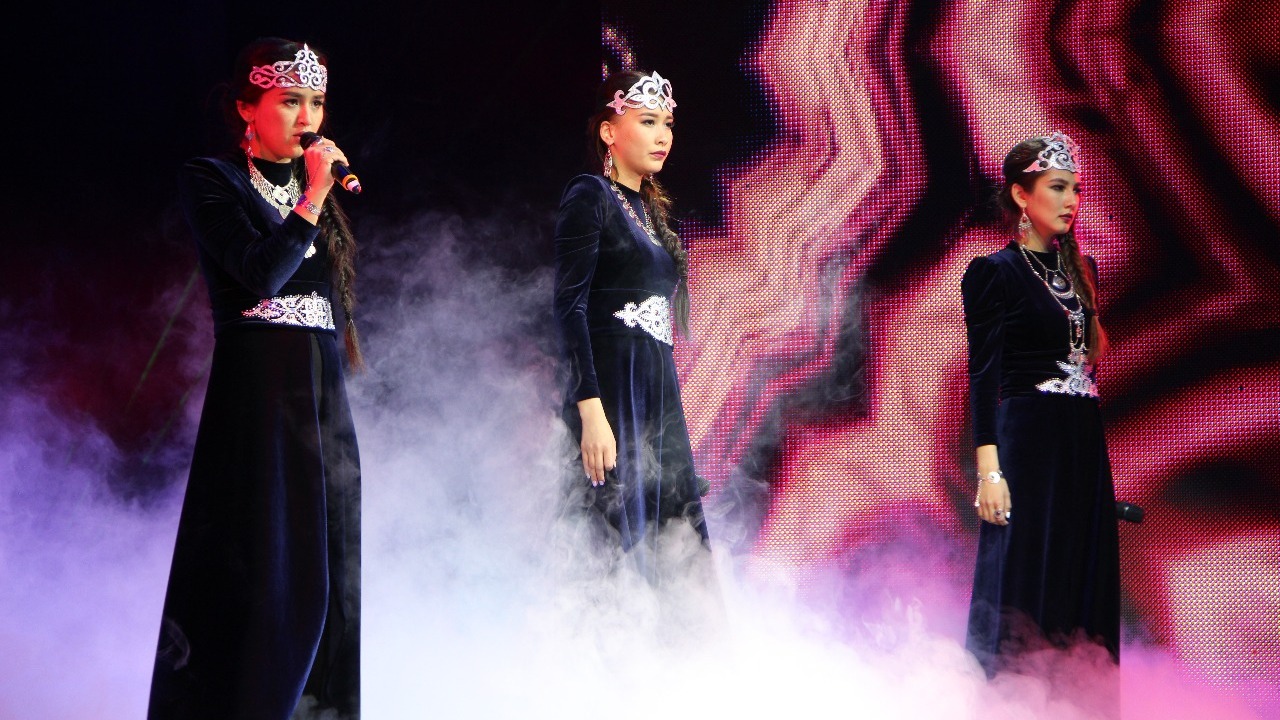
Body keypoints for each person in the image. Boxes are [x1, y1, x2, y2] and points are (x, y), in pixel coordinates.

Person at [148, 38, 362, 720]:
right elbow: (260, 273)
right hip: (259, 392)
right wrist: (315, 194)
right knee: (263, 568)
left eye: (317, 102)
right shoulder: (212, 179)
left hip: (320, 390)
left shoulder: (307, 189)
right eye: (290, 101)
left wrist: (312, 193)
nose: (308, 118)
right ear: (247, 108)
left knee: (328, 570)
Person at [962, 132, 1120, 678]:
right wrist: (990, 472)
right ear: (1021, 195)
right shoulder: (995, 272)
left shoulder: (1083, 271)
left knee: (1082, 578)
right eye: (1057, 187)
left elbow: (1087, 363)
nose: (1071, 199)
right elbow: (983, 377)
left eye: (1075, 188)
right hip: (1028, 445)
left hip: (1082, 446)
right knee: (1025, 576)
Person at [553, 70, 709, 577]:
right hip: (612, 393)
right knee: (609, 539)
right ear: (609, 131)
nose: (663, 136)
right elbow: (569, 307)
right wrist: (591, 411)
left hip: (655, 393)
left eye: (667, 124)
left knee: (673, 544)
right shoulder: (590, 195)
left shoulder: (649, 212)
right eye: (647, 121)